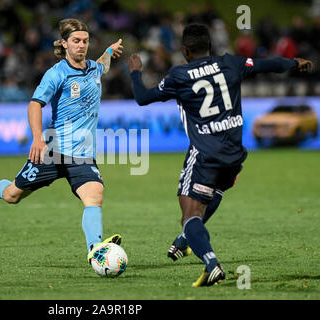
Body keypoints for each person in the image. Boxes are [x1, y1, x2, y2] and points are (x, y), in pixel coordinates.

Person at [128, 24, 312, 287]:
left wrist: (135, 73)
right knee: (213, 193)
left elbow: (143, 97)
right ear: (210, 47)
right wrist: (294, 63)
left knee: (189, 213)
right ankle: (184, 240)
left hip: (205, 155)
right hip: (234, 156)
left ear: (185, 51)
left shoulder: (179, 75)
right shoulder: (231, 64)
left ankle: (211, 262)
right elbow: (265, 64)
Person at [0, 18, 124, 264]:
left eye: (85, 41)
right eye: (76, 41)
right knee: (12, 195)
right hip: (53, 149)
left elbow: (103, 65)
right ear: (64, 44)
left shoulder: (93, 68)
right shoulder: (57, 74)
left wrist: (110, 52)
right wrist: (37, 139)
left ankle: (95, 250)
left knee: (95, 195)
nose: (81, 45)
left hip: (81, 153)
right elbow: (35, 105)